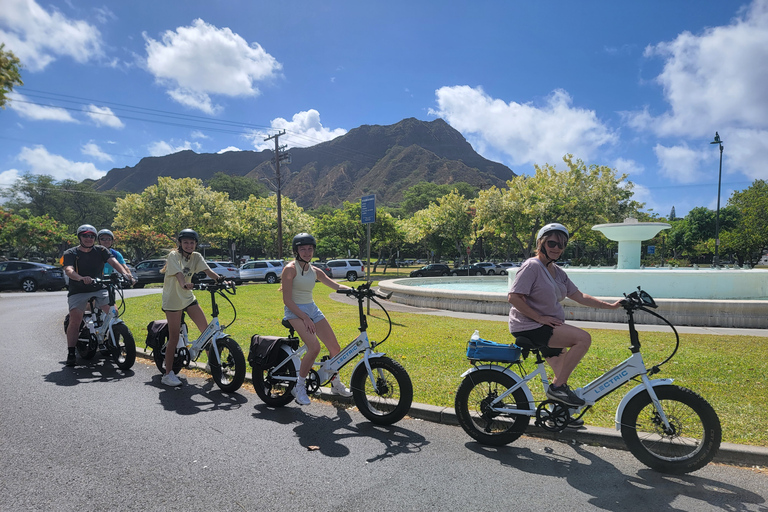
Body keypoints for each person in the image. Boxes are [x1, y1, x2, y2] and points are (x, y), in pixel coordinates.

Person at [508, 223, 622, 408]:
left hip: (548, 327)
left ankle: (559, 414)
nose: (557, 249)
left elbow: (579, 296)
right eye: (552, 243)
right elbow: (514, 297)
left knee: (562, 374)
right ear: (541, 243)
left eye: (561, 245)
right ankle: (556, 388)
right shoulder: (532, 266)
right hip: (530, 326)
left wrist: (610, 306)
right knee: (583, 339)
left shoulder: (558, 272)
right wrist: (539, 318)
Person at [282, 233, 353, 405]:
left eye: (310, 249)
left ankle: (334, 382)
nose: (307, 252)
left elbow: (335, 285)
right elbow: (287, 300)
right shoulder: (290, 269)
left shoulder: (315, 271)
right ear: (296, 251)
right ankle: (299, 386)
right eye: (303, 249)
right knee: (314, 347)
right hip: (295, 311)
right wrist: (304, 317)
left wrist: (354, 290)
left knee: (335, 349)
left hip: (312, 309)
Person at [62, 224, 134, 367]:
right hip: (78, 289)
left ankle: (109, 340)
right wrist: (80, 278)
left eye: (91, 236)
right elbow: (68, 270)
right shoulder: (70, 253)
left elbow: (114, 262)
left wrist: (126, 274)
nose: (88, 239)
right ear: (79, 237)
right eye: (85, 236)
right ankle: (71, 352)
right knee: (75, 319)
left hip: (99, 287)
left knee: (113, 313)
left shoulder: (101, 250)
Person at [159, 229, 223, 387]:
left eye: (192, 243)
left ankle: (211, 363)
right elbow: (179, 274)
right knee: (174, 337)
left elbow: (209, 271)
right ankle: (168, 374)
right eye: (186, 242)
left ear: (196, 244)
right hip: (173, 300)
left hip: (188, 298)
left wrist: (221, 280)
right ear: (180, 243)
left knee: (207, 331)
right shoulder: (174, 256)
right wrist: (183, 284)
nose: (189, 245)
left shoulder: (196, 257)